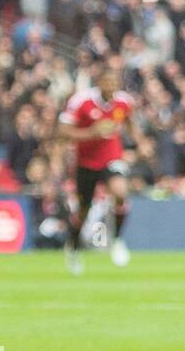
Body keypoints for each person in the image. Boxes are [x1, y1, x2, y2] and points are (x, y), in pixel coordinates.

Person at [56, 67, 137, 273]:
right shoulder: (81, 101)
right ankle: (73, 247)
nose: (111, 87)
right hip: (86, 163)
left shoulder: (124, 102)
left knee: (120, 192)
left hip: (112, 157)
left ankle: (117, 239)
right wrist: (91, 133)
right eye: (107, 82)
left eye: (114, 82)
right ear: (98, 83)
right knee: (84, 210)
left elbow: (129, 122)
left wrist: (140, 142)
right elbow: (62, 132)